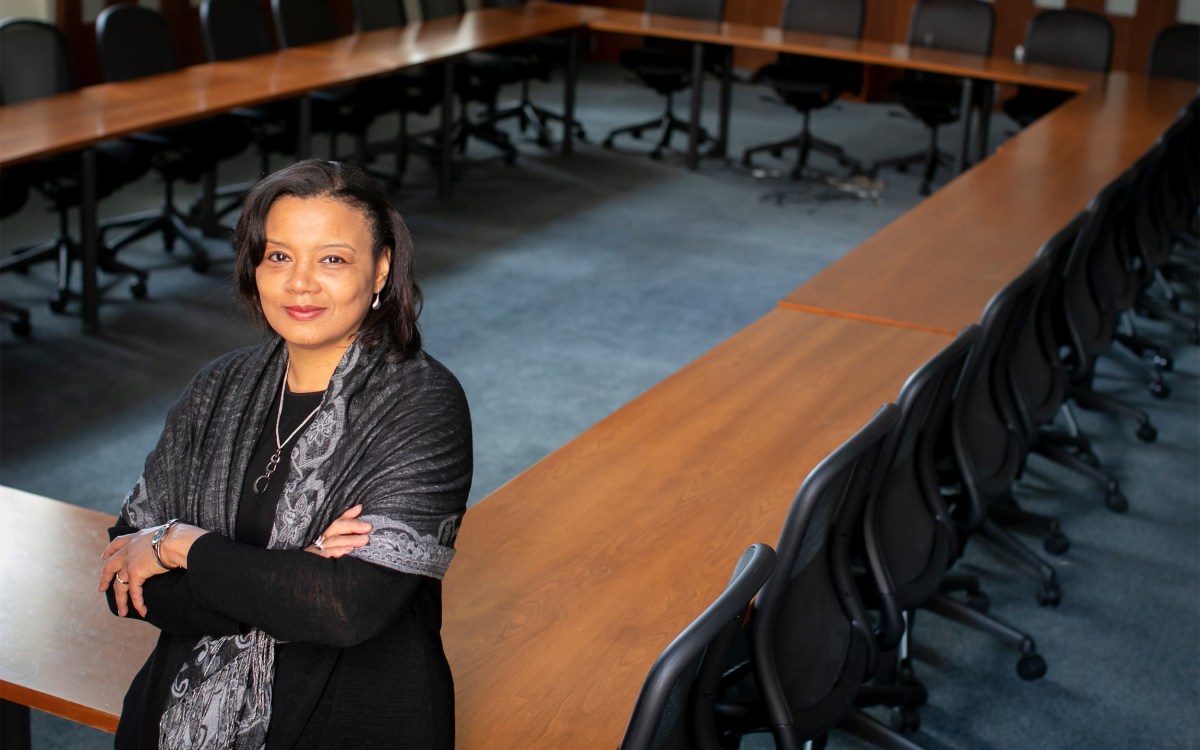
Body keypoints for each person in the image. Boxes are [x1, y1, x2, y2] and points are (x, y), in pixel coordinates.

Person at [97, 159, 472, 749]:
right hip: (175, 719)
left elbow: (346, 610)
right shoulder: (217, 388)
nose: (300, 283)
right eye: (278, 256)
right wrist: (291, 575)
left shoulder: (422, 403)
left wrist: (179, 544)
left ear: (380, 270)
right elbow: (127, 581)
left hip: (349, 720)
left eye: (331, 259)